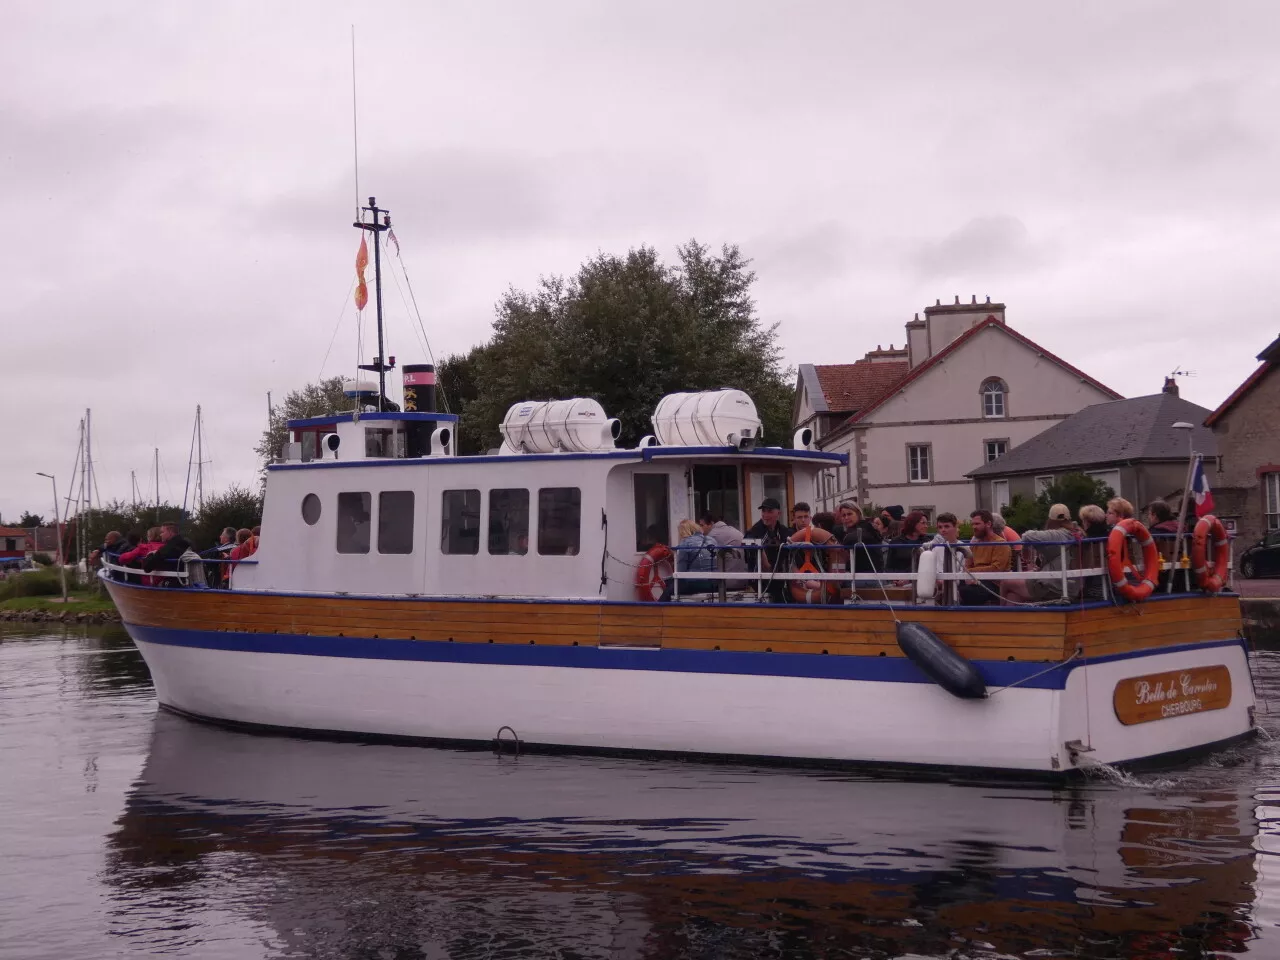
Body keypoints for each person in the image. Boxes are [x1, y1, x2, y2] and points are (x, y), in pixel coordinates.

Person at [1004, 504, 1080, 603]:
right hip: (1071, 586)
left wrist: (1025, 549)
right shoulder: (1077, 533)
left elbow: (1027, 536)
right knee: (1012, 594)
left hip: (1053, 586)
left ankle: (997, 614)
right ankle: (1009, 617)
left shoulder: (1059, 534)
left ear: (1051, 520)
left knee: (1005, 582)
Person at [746, 498, 793, 602]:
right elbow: (749, 547)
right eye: (763, 511)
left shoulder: (784, 531)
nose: (765, 515)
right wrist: (768, 566)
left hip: (781, 579)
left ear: (778, 513)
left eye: (770, 511)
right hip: (760, 582)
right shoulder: (754, 532)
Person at [960, 510, 1010, 606]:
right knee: (951, 587)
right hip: (975, 580)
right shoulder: (974, 544)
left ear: (988, 524)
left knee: (967, 592)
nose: (974, 527)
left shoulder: (1001, 544)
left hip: (994, 584)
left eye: (977, 524)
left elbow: (996, 569)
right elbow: (967, 566)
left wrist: (972, 572)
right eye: (973, 524)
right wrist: (971, 575)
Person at [924, 513, 972, 603]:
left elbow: (965, 571)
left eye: (946, 526)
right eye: (940, 527)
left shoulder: (965, 548)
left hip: (957, 585)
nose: (943, 530)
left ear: (955, 527)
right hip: (938, 585)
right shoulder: (936, 548)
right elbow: (932, 569)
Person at [698, 511, 748, 588]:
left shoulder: (712, 535)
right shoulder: (733, 530)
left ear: (711, 523)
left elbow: (700, 556)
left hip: (728, 582)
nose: (700, 529)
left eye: (702, 525)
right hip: (744, 579)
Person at [1078, 504, 1109, 601]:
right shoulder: (1110, 534)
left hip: (1093, 587)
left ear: (1087, 522)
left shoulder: (1087, 541)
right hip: (1111, 585)